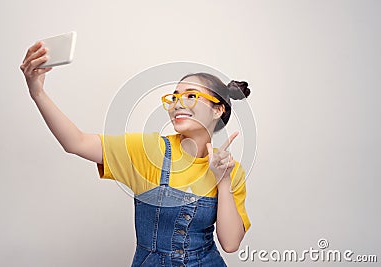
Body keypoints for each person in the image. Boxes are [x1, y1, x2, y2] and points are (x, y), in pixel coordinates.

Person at [20, 41, 252, 267]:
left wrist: (223, 181)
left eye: (191, 96)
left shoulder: (232, 170)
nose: (178, 104)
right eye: (174, 97)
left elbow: (230, 243)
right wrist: (37, 92)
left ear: (217, 109)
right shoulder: (150, 150)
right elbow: (76, 142)